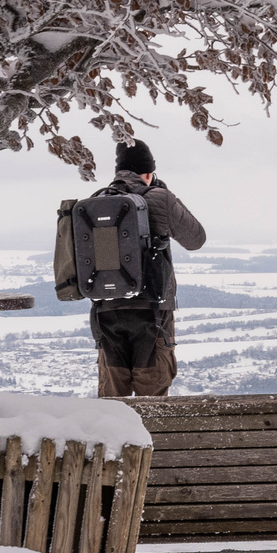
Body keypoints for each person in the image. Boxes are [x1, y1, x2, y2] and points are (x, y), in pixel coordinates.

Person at [91, 139, 206, 396]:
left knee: (112, 404)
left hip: (106, 312)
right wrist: (165, 195)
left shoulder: (95, 202)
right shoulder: (159, 197)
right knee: (152, 400)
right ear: (148, 173)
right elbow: (196, 239)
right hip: (151, 313)